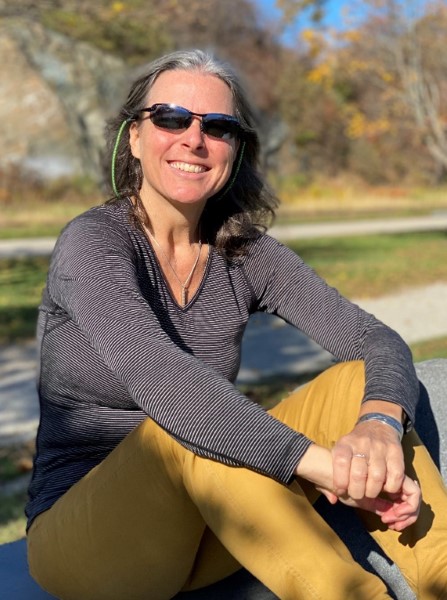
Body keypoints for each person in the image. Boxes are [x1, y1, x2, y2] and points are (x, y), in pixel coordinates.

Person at [26, 49, 447, 600]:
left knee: (356, 382)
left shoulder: (243, 252)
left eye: (218, 127)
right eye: (171, 118)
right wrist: (326, 467)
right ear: (133, 137)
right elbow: (168, 386)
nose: (194, 139)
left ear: (236, 150)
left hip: (212, 525)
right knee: (182, 430)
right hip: (90, 542)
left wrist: (379, 428)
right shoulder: (94, 244)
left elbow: (377, 339)